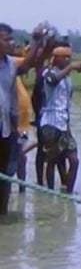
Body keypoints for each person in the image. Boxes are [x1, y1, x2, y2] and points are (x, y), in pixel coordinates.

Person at [0, 23, 49, 215]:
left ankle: (2, 215)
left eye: (12, 39)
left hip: (5, 130)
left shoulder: (10, 63)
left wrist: (38, 42)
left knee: (5, 177)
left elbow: (29, 63)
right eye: (7, 39)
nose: (12, 43)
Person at [39, 42, 81, 193]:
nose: (67, 60)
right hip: (51, 123)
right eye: (64, 57)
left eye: (69, 57)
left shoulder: (67, 78)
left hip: (64, 123)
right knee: (51, 161)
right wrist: (71, 67)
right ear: (56, 58)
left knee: (74, 160)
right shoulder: (48, 73)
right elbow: (53, 80)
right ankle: (51, 193)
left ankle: (68, 193)